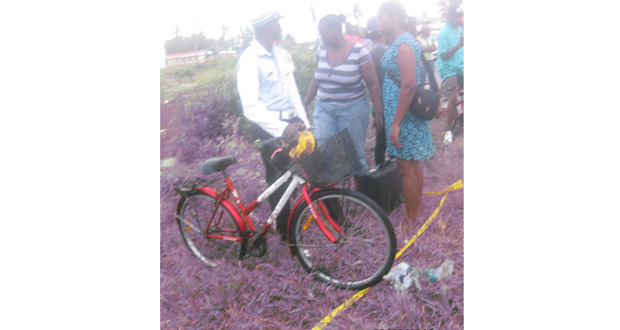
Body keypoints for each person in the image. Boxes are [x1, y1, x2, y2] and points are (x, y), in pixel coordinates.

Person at [236, 10, 311, 240]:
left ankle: (295, 220)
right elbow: (250, 107)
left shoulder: (280, 54)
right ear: (270, 27)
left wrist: (304, 123)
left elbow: (293, 94)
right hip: (268, 127)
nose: (281, 27)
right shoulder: (249, 59)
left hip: (291, 121)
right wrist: (282, 129)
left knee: (299, 171)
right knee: (278, 178)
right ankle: (286, 233)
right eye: (278, 23)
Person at [376, 0, 434, 231]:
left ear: (394, 18)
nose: (378, 22)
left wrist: (396, 124)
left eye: (381, 17)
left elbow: (409, 85)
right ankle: (416, 214)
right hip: (402, 113)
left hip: (404, 116)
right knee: (412, 165)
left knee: (406, 167)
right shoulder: (402, 42)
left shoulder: (404, 44)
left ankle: (411, 221)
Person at [302, 14, 383, 177]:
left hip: (353, 110)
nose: (322, 37)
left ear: (338, 29)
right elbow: (316, 79)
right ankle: (333, 197)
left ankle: (363, 198)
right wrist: (303, 104)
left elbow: (373, 84)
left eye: (324, 33)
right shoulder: (321, 50)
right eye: (320, 34)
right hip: (324, 108)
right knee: (324, 151)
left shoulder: (359, 51)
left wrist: (378, 113)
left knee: (355, 155)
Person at [436, 5, 464, 145]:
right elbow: (443, 56)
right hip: (448, 69)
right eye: (456, 17)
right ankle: (448, 131)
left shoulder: (460, 29)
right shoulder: (443, 33)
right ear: (448, 17)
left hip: (461, 66)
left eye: (460, 17)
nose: (458, 20)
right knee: (452, 99)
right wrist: (459, 45)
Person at [365, 16, 389, 166]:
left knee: (381, 142)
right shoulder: (383, 50)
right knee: (385, 143)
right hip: (386, 104)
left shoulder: (372, 50)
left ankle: (382, 173)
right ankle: (387, 174)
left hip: (378, 104)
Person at [416, 25, 437, 91]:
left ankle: (432, 92)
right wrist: (430, 49)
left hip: (431, 59)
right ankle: (422, 93)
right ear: (424, 31)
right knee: (422, 77)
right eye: (428, 30)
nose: (429, 31)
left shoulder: (430, 38)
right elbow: (420, 50)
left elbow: (435, 48)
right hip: (423, 60)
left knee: (432, 77)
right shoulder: (418, 39)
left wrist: (426, 49)